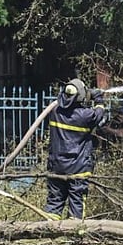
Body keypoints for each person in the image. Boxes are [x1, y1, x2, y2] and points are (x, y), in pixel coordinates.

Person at [43, 78, 106, 220]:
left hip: (56, 166)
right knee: (77, 203)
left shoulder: (54, 111)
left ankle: (48, 233)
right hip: (78, 168)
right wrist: (98, 98)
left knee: (54, 203)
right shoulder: (86, 116)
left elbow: (63, 104)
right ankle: (75, 235)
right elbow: (99, 113)